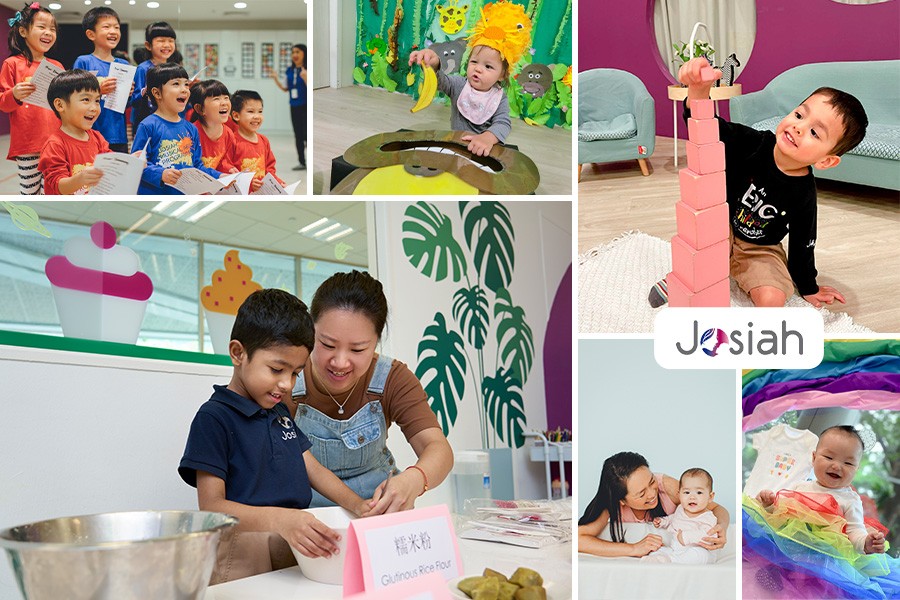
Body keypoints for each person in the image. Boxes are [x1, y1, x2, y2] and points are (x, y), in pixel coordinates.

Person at [178, 289, 372, 583]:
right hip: (242, 546)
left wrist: (359, 506)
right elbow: (212, 507)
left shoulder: (279, 412)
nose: (286, 384)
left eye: (295, 373)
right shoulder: (213, 418)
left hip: (291, 538)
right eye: (276, 369)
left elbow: (314, 470)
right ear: (238, 353)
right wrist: (279, 520)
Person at [649, 58, 868, 309]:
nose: (798, 127)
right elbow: (708, 130)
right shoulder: (753, 142)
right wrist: (698, 93)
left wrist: (809, 287)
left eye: (814, 133)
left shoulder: (804, 194)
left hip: (758, 248)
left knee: (774, 300)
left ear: (826, 161)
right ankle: (683, 278)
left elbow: (802, 243)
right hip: (721, 227)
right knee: (698, 236)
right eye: (798, 115)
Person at [284, 270, 454, 514]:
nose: (340, 362)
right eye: (327, 345)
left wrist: (414, 479)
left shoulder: (392, 378)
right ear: (311, 329)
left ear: (376, 342)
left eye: (357, 350)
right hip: (307, 517)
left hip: (378, 513)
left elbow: (438, 448)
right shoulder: (287, 378)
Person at [407, 1, 531, 156]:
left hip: (482, 150)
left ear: (502, 75)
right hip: (456, 144)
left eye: (488, 66)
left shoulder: (499, 98)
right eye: (474, 62)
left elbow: (503, 123)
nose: (478, 68)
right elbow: (441, 82)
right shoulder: (459, 84)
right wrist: (434, 64)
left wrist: (488, 137)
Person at [756, 425, 886, 555]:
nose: (836, 466)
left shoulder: (850, 500)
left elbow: (855, 531)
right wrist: (769, 505)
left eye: (848, 463)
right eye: (829, 457)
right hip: (784, 548)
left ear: (856, 470)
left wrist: (865, 543)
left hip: (822, 560)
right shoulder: (800, 487)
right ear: (814, 458)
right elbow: (779, 514)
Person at [578, 452, 729, 558]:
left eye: (651, 481)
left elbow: (717, 508)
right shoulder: (612, 504)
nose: (652, 494)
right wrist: (633, 548)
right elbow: (579, 539)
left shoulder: (667, 486)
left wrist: (721, 526)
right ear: (622, 501)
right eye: (641, 493)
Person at [131, 62, 222, 194]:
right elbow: (137, 164)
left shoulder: (191, 129)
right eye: (176, 84)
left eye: (186, 84)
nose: (184, 89)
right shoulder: (148, 125)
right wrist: (161, 174)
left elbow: (197, 166)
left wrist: (220, 176)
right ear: (157, 93)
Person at [0, 3, 62, 194]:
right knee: (29, 191)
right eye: (41, 27)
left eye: (52, 29)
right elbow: (3, 102)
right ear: (23, 31)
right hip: (28, 143)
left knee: (51, 191)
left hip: (55, 141)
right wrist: (15, 94)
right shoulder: (12, 64)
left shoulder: (56, 65)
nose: (48, 33)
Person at [38, 69, 110, 194]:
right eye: (86, 100)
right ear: (60, 105)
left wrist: (130, 161)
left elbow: (110, 163)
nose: (94, 108)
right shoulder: (55, 145)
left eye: (97, 101)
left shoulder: (97, 138)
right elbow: (58, 186)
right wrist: (80, 179)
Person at [73, 6, 130, 153]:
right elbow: (73, 96)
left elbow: (127, 104)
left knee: (117, 174)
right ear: (91, 34)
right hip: (89, 133)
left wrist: (128, 94)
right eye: (106, 27)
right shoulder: (83, 62)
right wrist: (98, 90)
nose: (113, 31)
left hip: (118, 134)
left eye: (116, 27)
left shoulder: (123, 65)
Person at [642, 468, 718, 564]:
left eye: (699, 492)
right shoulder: (680, 509)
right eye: (686, 492)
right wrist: (664, 521)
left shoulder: (708, 517)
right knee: (660, 549)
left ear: (710, 497)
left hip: (699, 550)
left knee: (698, 554)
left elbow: (709, 536)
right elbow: (675, 518)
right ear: (679, 495)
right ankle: (656, 558)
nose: (692, 497)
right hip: (676, 549)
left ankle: (670, 560)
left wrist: (686, 537)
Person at [228, 89, 283, 191]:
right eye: (250, 111)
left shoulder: (263, 140)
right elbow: (227, 171)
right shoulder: (232, 141)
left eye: (260, 111)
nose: (257, 116)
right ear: (236, 115)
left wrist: (278, 183)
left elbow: (269, 169)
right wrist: (247, 184)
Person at [131, 21, 177, 131]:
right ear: (148, 45)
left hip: (169, 122)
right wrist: (145, 92)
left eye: (171, 41)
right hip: (147, 123)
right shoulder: (143, 69)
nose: (166, 45)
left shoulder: (175, 69)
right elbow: (134, 101)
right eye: (161, 41)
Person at [270, 43, 306, 171]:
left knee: (306, 134)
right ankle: (302, 162)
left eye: (298, 52)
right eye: (293, 52)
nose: (295, 55)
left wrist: (306, 78)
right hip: (294, 106)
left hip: (305, 106)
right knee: (298, 135)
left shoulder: (307, 69)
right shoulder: (289, 71)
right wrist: (275, 79)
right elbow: (286, 88)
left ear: (304, 54)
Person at [189, 79, 237, 173]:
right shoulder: (190, 133)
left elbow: (223, 162)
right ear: (199, 109)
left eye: (226, 98)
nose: (224, 103)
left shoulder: (228, 134)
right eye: (216, 99)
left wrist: (229, 169)